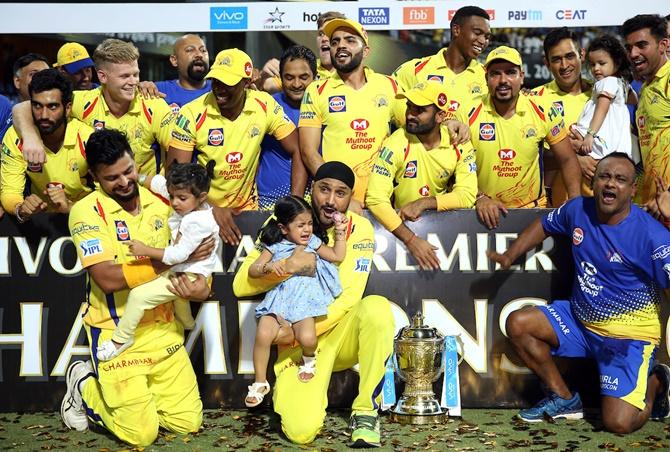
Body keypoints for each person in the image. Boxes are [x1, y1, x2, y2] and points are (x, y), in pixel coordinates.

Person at [490, 152, 670, 432]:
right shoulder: (578, 210)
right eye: (604, 176)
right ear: (593, 181)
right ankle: (564, 399)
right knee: (518, 323)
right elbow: (545, 224)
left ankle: (657, 383)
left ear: (633, 190)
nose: (610, 184)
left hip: (627, 338)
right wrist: (510, 255)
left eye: (620, 179)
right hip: (579, 320)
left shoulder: (652, 235)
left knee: (618, 424)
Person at [62, 128, 213, 446]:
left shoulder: (166, 198)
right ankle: (84, 383)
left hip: (164, 330)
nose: (124, 181)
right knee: (141, 435)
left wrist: (200, 288)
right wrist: (170, 261)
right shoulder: (86, 212)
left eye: (128, 170)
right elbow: (107, 278)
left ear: (136, 162)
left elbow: (199, 260)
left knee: (187, 424)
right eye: (112, 177)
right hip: (116, 334)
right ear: (94, 177)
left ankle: (138, 400)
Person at [232, 161, 394, 448]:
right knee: (300, 431)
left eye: (341, 193)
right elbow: (241, 284)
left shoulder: (360, 228)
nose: (331, 200)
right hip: (299, 349)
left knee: (377, 309)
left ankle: (366, 411)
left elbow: (348, 297)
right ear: (311, 189)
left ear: (350, 197)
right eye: (324, 190)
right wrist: (287, 266)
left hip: (331, 333)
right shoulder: (283, 220)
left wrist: (297, 331)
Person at [168, 48, 305, 246]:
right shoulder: (190, 113)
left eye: (228, 83)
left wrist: (295, 204)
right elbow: (174, 177)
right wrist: (208, 210)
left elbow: (298, 148)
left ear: (247, 82)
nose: (219, 88)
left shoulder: (264, 105)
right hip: (198, 214)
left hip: (249, 212)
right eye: (216, 80)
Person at [95, 161, 221, 361]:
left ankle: (121, 339)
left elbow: (178, 255)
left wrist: (145, 250)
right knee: (178, 297)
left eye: (181, 198)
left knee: (138, 295)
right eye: (172, 196)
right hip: (184, 268)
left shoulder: (198, 222)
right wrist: (137, 178)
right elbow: (161, 184)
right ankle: (188, 324)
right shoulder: (189, 201)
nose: (174, 202)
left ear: (202, 197)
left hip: (190, 273)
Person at [13, 38, 176, 174]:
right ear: (103, 77)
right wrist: (31, 138)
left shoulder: (153, 104)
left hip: (145, 197)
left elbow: (179, 146)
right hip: (96, 199)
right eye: (125, 76)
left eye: (136, 74)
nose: (133, 81)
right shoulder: (83, 102)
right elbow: (22, 108)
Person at [245, 195, 347, 407]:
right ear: (283, 228)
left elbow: (337, 256)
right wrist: (269, 267)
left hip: (304, 301)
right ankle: (260, 382)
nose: (307, 229)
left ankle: (309, 360)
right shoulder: (274, 247)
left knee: (308, 339)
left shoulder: (314, 242)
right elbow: (253, 271)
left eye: (309, 223)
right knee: (263, 334)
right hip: (279, 299)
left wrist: (339, 232)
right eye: (300, 225)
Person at [366, 81, 478, 270]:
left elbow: (467, 195)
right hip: (400, 231)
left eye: (420, 110)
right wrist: (411, 239)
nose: (410, 115)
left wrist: (424, 202)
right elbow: (376, 199)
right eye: (409, 107)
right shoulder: (396, 143)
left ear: (441, 116)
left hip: (446, 228)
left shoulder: (459, 143)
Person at [469, 46, 581, 229]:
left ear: (521, 76)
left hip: (531, 213)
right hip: (481, 213)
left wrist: (576, 204)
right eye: (495, 74)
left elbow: (568, 159)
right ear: (486, 78)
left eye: (511, 73)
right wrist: (478, 197)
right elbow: (454, 167)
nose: (503, 80)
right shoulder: (467, 112)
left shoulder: (543, 109)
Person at [298, 17, 407, 207]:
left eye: (349, 40)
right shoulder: (316, 90)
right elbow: (308, 152)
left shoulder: (389, 85)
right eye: (335, 42)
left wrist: (449, 124)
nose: (340, 45)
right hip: (338, 205)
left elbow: (416, 129)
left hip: (385, 200)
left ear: (366, 51)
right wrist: (341, 196)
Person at [1, 69, 93, 220]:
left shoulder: (87, 138)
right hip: (40, 222)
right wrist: (21, 208)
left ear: (68, 108)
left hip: (87, 220)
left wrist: (70, 207)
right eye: (37, 106)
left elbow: (108, 195)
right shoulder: (15, 137)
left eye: (52, 107)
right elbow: (10, 190)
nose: (44, 115)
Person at [532, 27, 593, 206]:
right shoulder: (533, 99)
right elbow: (528, 154)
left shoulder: (602, 96)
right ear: (546, 63)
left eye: (569, 56)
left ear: (581, 54)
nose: (564, 65)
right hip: (553, 208)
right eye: (556, 59)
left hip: (598, 206)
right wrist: (573, 160)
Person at [393, 6, 491, 115]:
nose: (483, 41)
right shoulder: (414, 69)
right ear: (456, 30)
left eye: (487, 37)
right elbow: (390, 105)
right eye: (477, 33)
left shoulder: (486, 76)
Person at [257, 45, 316, 211]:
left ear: (315, 77)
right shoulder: (267, 105)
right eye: (289, 77)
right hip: (270, 199)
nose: (297, 84)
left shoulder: (326, 107)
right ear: (280, 78)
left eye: (304, 77)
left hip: (314, 199)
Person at [622, 14, 670, 214]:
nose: (633, 53)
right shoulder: (645, 87)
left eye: (642, 45)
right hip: (653, 204)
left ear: (663, 45)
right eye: (629, 47)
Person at [572, 35, 639, 164]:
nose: (596, 68)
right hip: (615, 139)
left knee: (567, 141)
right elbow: (634, 100)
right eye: (592, 64)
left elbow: (601, 110)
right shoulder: (622, 83)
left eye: (602, 63)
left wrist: (590, 134)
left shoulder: (607, 82)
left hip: (599, 134)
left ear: (617, 63)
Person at [258, 11, 345, 94]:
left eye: (329, 34)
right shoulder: (304, 67)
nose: (324, 39)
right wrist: (263, 76)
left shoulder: (353, 73)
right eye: (321, 34)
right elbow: (264, 86)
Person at [153, 34, 211, 111]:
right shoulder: (157, 90)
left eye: (203, 50)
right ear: (174, 60)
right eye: (190, 50)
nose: (199, 55)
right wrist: (141, 87)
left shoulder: (221, 89)